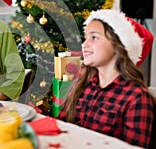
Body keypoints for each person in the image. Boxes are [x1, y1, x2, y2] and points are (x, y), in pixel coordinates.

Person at [57, 9, 155, 148]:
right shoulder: (82, 86)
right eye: (86, 37)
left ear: (118, 46)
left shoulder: (137, 98)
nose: (84, 44)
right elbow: (60, 127)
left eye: (94, 37)